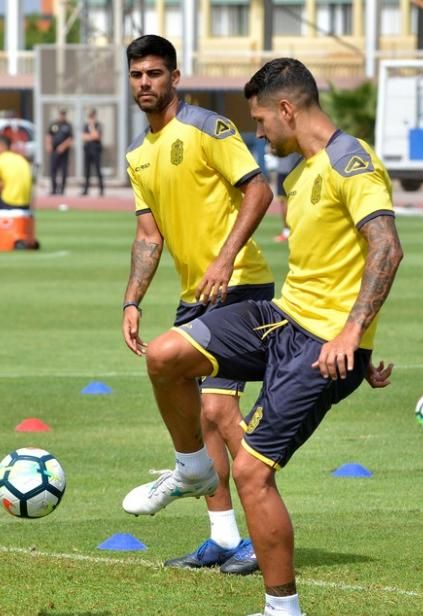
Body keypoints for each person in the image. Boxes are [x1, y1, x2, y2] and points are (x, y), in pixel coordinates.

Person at [123, 58, 404, 616]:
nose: (257, 134)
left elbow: (386, 248)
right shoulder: (301, 174)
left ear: (286, 108)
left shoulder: (351, 160)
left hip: (323, 345)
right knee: (167, 355)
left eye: (259, 120)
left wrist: (353, 338)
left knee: (251, 471)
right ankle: (193, 467)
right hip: (284, 321)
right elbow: (337, 266)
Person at [121, 35, 275, 576]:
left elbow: (258, 190)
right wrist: (132, 299)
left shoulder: (209, 128)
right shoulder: (138, 154)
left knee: (219, 412)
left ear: (175, 77)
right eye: (138, 74)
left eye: (155, 74)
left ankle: (261, 538)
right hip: (194, 296)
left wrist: (225, 260)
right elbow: (148, 235)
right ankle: (223, 538)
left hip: (240, 287)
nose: (146, 83)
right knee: (204, 417)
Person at [45, 108, 73, 195]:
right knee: (53, 170)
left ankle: (62, 190)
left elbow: (70, 138)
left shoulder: (68, 125)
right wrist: (48, 145)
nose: (62, 116)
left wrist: (63, 146)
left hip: (64, 152)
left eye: (63, 114)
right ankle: (54, 189)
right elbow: (48, 135)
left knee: (64, 171)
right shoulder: (54, 124)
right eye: (61, 114)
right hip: (54, 150)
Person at [273, 153, 299, 242]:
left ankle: (287, 231)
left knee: (285, 201)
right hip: (295, 168)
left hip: (287, 169)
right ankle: (289, 231)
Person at [81, 108, 104, 196]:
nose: (91, 118)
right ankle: (86, 190)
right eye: (90, 116)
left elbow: (97, 136)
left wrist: (92, 128)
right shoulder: (86, 126)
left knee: (98, 170)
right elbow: (83, 137)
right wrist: (91, 136)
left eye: (92, 116)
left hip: (96, 150)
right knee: (87, 170)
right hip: (87, 150)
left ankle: (101, 189)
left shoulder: (98, 125)